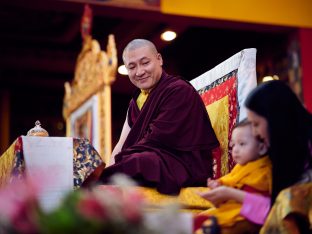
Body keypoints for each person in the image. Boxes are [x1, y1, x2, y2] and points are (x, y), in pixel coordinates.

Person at [98, 39, 220, 194]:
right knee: (125, 165)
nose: (139, 71)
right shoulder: (135, 101)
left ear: (159, 59)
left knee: (140, 161)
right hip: (151, 157)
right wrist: (109, 173)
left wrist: (121, 163)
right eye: (132, 67)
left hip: (182, 165)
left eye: (145, 63)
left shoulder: (178, 90)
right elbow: (121, 144)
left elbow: (157, 140)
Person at [195, 119, 271, 233]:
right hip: (232, 212)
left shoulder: (265, 170)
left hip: (246, 220)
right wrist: (218, 189)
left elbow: (266, 207)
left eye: (242, 144)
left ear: (262, 148)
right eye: (233, 145)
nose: (235, 150)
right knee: (197, 221)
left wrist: (229, 193)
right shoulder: (240, 168)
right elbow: (229, 192)